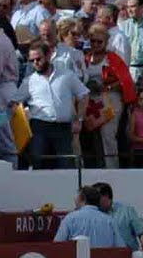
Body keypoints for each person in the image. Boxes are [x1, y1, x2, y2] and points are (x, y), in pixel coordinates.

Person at [14, 41, 88, 169]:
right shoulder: (29, 81)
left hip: (63, 128)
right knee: (39, 164)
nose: (35, 63)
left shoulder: (67, 75)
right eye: (32, 60)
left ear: (48, 55)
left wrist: (79, 119)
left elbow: (84, 95)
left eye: (38, 59)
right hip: (39, 127)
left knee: (66, 166)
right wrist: (22, 117)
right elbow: (14, 103)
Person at [54, 185, 123, 247]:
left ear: (82, 199)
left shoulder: (70, 218)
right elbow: (121, 248)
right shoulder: (110, 221)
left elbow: (57, 246)